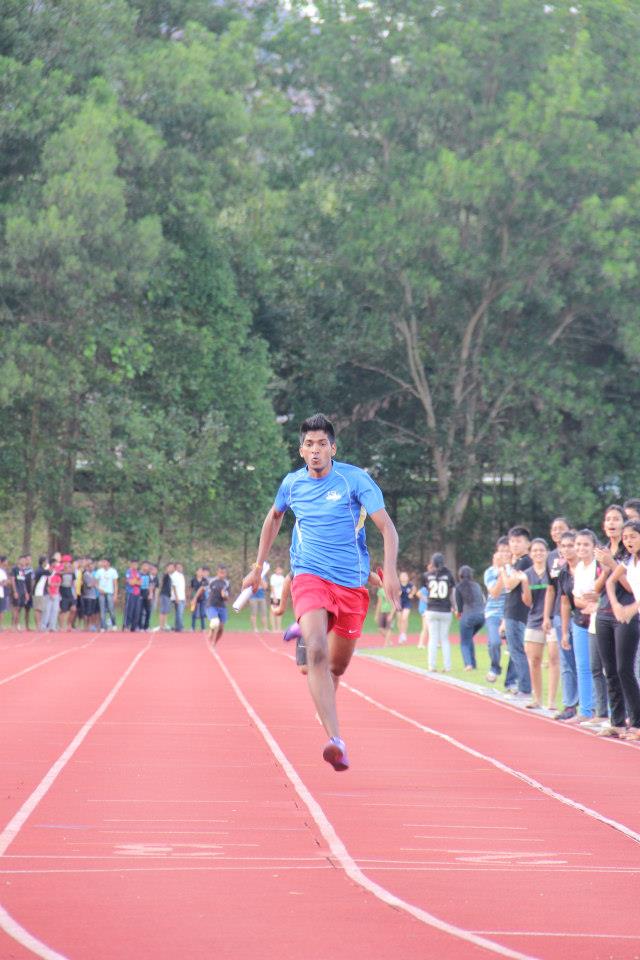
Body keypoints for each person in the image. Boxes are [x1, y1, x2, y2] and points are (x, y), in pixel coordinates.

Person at [241, 413, 400, 772]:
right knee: (315, 651)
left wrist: (389, 571)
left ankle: (309, 633)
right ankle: (336, 741)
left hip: (352, 585)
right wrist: (257, 567)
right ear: (301, 450)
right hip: (310, 575)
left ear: (333, 449)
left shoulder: (354, 480)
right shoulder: (292, 484)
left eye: (322, 444)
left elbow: (387, 527)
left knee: (336, 667)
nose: (315, 450)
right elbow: (274, 518)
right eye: (309, 444)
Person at [600, 519, 640, 739]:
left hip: (635, 617)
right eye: (625, 538)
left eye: (633, 536)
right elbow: (610, 582)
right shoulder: (628, 560)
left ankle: (637, 723)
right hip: (628, 615)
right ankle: (627, 722)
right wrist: (616, 605)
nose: (628, 541)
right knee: (619, 669)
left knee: (626, 669)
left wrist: (632, 608)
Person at [521, 538, 558, 710]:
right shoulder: (527, 574)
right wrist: (524, 584)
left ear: (547, 552)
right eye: (534, 550)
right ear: (530, 554)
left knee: (553, 658)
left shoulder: (554, 571)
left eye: (541, 550)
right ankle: (537, 698)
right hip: (534, 618)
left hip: (553, 619)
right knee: (534, 660)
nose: (538, 553)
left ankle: (552, 701)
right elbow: (527, 602)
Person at [501, 526, 533, 698]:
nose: (514, 544)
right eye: (512, 541)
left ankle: (525, 688)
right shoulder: (518, 562)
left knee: (517, 650)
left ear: (527, 543)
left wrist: (503, 568)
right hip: (512, 611)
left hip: (517, 612)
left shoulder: (524, 562)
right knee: (516, 650)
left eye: (519, 541)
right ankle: (522, 686)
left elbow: (509, 584)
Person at [483, 538, 510, 682]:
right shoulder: (490, 572)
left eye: (507, 551)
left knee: (515, 647)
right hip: (493, 613)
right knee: (494, 642)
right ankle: (494, 668)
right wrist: (501, 572)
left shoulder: (515, 570)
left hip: (510, 613)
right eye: (501, 551)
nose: (504, 554)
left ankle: (512, 681)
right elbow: (494, 593)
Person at [424, 553, 456, 672]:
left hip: (432, 609)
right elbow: (452, 593)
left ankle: (431, 665)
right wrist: (455, 607)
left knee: (433, 638)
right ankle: (447, 666)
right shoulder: (448, 575)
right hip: (445, 609)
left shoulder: (428, 575)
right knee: (444, 639)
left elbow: (426, 590)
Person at [454, 565, 485, 671]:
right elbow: (482, 600)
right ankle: (473, 663)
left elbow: (459, 608)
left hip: (468, 616)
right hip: (481, 616)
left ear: (460, 575)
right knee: (469, 637)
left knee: (464, 642)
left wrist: (458, 614)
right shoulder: (477, 585)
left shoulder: (459, 587)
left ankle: (468, 664)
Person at [206, 564, 230, 646]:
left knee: (221, 629)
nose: (222, 574)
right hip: (211, 605)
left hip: (222, 606)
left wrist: (225, 596)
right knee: (215, 622)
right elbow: (204, 589)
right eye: (220, 572)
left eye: (224, 573)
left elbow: (227, 598)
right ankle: (211, 630)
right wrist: (195, 599)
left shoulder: (226, 583)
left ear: (226, 573)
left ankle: (214, 643)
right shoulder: (211, 581)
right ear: (217, 572)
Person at [95, 558, 118, 631]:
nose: (103, 563)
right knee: (102, 610)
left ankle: (114, 624)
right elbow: (95, 583)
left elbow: (115, 584)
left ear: (108, 563)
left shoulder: (113, 571)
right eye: (103, 562)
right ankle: (103, 626)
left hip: (110, 593)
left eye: (105, 562)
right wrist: (99, 589)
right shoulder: (99, 571)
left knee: (111, 609)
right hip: (101, 593)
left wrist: (115, 594)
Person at [155, 563, 175, 631]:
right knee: (163, 610)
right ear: (167, 568)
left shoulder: (170, 576)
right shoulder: (165, 575)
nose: (172, 568)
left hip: (168, 595)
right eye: (170, 567)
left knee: (166, 611)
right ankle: (161, 626)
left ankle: (164, 625)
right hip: (164, 595)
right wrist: (158, 595)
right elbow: (161, 583)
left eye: (173, 567)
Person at [32, 556, 50, 631]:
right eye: (46, 561)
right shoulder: (40, 570)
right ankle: (38, 626)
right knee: (38, 609)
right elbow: (50, 572)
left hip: (42, 592)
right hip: (38, 592)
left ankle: (39, 625)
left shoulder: (42, 570)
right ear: (43, 562)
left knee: (41, 609)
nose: (47, 563)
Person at [397, 571, 414, 644]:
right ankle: (401, 634)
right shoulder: (397, 585)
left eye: (405, 576)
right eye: (402, 576)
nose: (404, 577)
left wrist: (411, 594)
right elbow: (394, 592)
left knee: (404, 618)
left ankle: (404, 634)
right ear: (399, 577)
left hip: (407, 603)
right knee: (399, 619)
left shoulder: (410, 584)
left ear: (408, 577)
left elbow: (414, 589)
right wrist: (397, 593)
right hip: (399, 603)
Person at [190, 566, 208, 631]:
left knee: (202, 613)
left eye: (201, 571)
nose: (200, 572)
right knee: (193, 613)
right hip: (194, 599)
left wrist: (195, 597)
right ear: (196, 572)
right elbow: (191, 589)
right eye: (199, 571)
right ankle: (193, 627)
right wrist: (191, 598)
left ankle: (203, 628)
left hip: (202, 598)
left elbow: (203, 589)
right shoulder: (193, 580)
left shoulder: (205, 580)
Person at [269, 565, 286, 632]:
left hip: (280, 597)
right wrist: (274, 597)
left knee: (279, 612)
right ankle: (273, 628)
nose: (279, 571)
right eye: (277, 570)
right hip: (274, 597)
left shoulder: (282, 578)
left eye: (280, 570)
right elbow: (272, 587)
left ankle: (279, 628)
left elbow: (283, 588)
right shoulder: (273, 577)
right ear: (275, 570)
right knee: (273, 611)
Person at [171, 562, 186, 632]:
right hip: (177, 597)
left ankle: (177, 627)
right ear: (175, 568)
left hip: (182, 596)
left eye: (181, 567)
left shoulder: (182, 575)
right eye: (178, 567)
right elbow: (174, 587)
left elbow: (183, 587)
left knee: (179, 613)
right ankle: (180, 627)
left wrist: (185, 597)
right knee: (179, 613)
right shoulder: (174, 575)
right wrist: (176, 597)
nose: (180, 568)